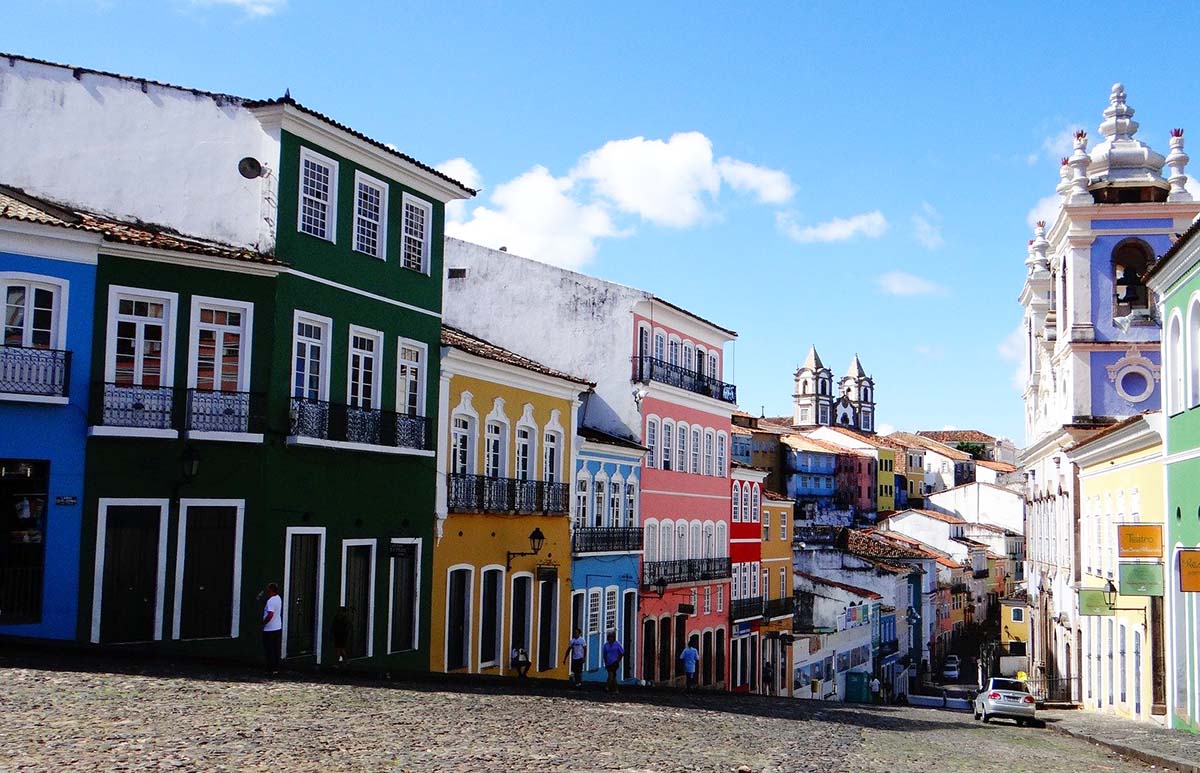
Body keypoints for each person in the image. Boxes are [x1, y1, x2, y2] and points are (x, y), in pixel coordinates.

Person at [261, 582, 282, 674]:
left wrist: (263, 623)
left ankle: (270, 668)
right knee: (276, 649)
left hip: (269, 628)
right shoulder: (278, 598)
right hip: (277, 626)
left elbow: (270, 614)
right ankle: (276, 668)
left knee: (269, 649)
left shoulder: (271, 601)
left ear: (270, 590)